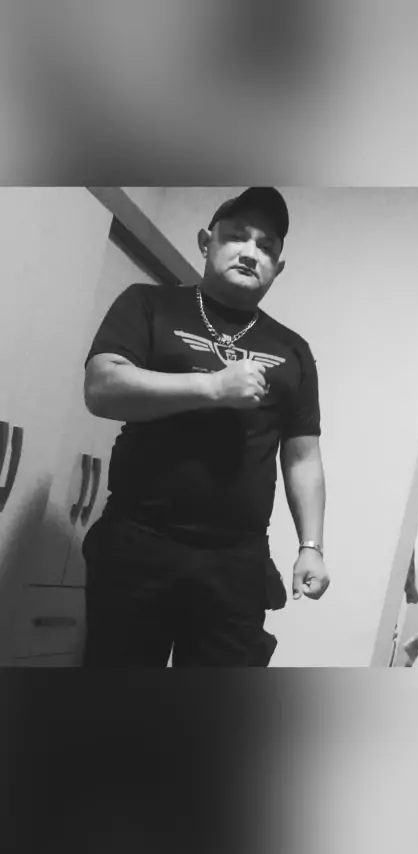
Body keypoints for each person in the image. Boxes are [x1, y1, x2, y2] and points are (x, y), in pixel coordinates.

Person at [82, 186, 329, 667]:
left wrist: (312, 546)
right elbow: (102, 387)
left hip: (236, 561)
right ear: (205, 242)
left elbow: (303, 458)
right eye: (237, 236)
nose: (251, 252)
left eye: (266, 246)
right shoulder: (148, 304)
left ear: (277, 268)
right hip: (139, 541)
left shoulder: (293, 350)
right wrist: (212, 387)